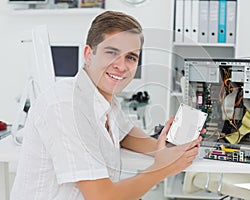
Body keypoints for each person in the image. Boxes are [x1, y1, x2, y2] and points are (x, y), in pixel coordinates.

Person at [11, 11, 202, 200]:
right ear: (89, 54)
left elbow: (125, 134)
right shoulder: (66, 106)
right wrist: (161, 168)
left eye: (131, 57)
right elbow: (102, 197)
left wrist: (161, 148)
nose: (121, 65)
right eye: (111, 53)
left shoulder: (103, 98)